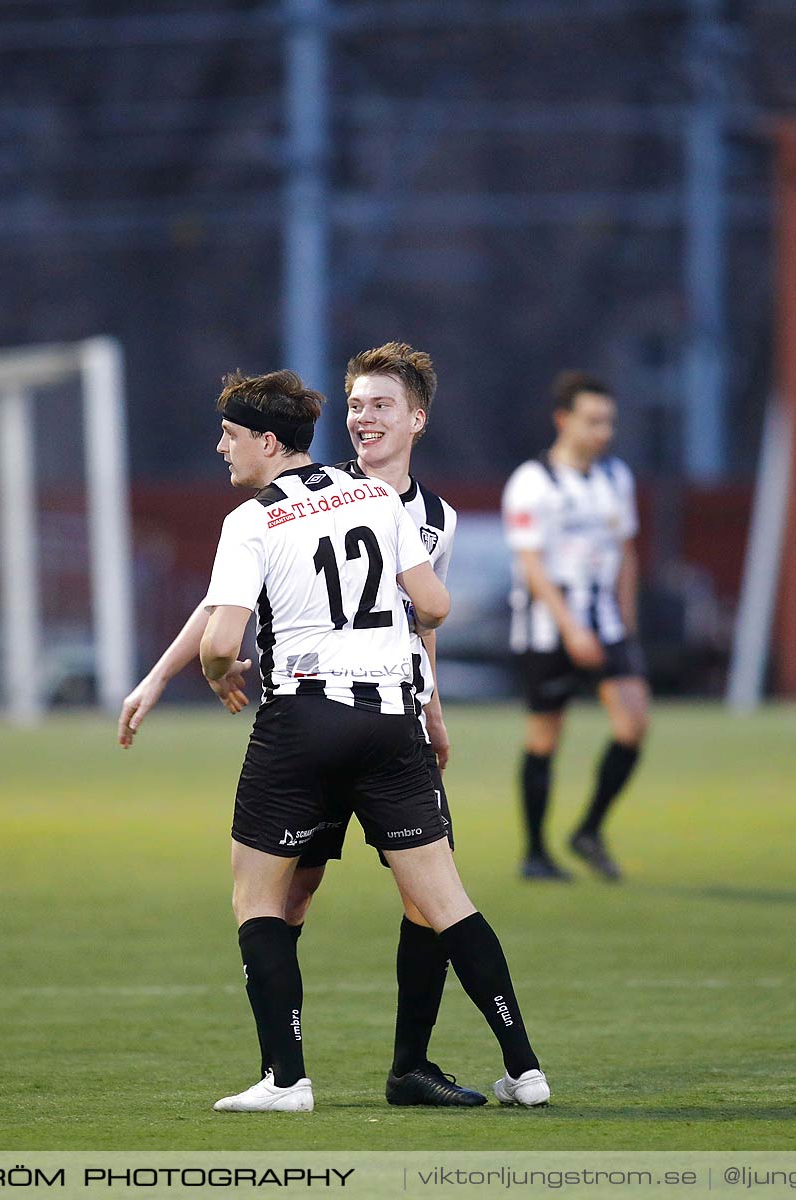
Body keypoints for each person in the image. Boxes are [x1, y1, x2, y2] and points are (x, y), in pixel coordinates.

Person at [119, 343, 482, 1106]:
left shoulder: (434, 518)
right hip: (330, 718)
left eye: (380, 405)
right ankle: (280, 1067)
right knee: (293, 892)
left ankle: (404, 1066)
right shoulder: (330, 491)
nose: (363, 418)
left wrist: (433, 708)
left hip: (378, 717)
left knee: (424, 900)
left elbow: (424, 624)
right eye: (354, 405)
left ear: (417, 419)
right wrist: (159, 676)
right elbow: (227, 599)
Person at [195, 367, 547, 1113]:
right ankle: (525, 1069)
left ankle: (286, 1082)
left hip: (303, 720)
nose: (220, 448)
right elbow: (435, 605)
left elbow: (222, 640)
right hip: (392, 720)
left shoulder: (250, 520)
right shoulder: (379, 498)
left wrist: (217, 672)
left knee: (261, 897)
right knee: (446, 901)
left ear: (266, 441)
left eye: (228, 436)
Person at [501, 371, 650, 882]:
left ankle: (588, 829)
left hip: (604, 623)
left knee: (633, 725)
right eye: (593, 420)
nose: (603, 431)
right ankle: (535, 853)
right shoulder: (531, 482)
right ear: (564, 420)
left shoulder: (616, 478)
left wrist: (624, 622)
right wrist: (570, 628)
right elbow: (531, 565)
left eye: (608, 421)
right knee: (545, 736)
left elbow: (625, 553)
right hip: (547, 627)